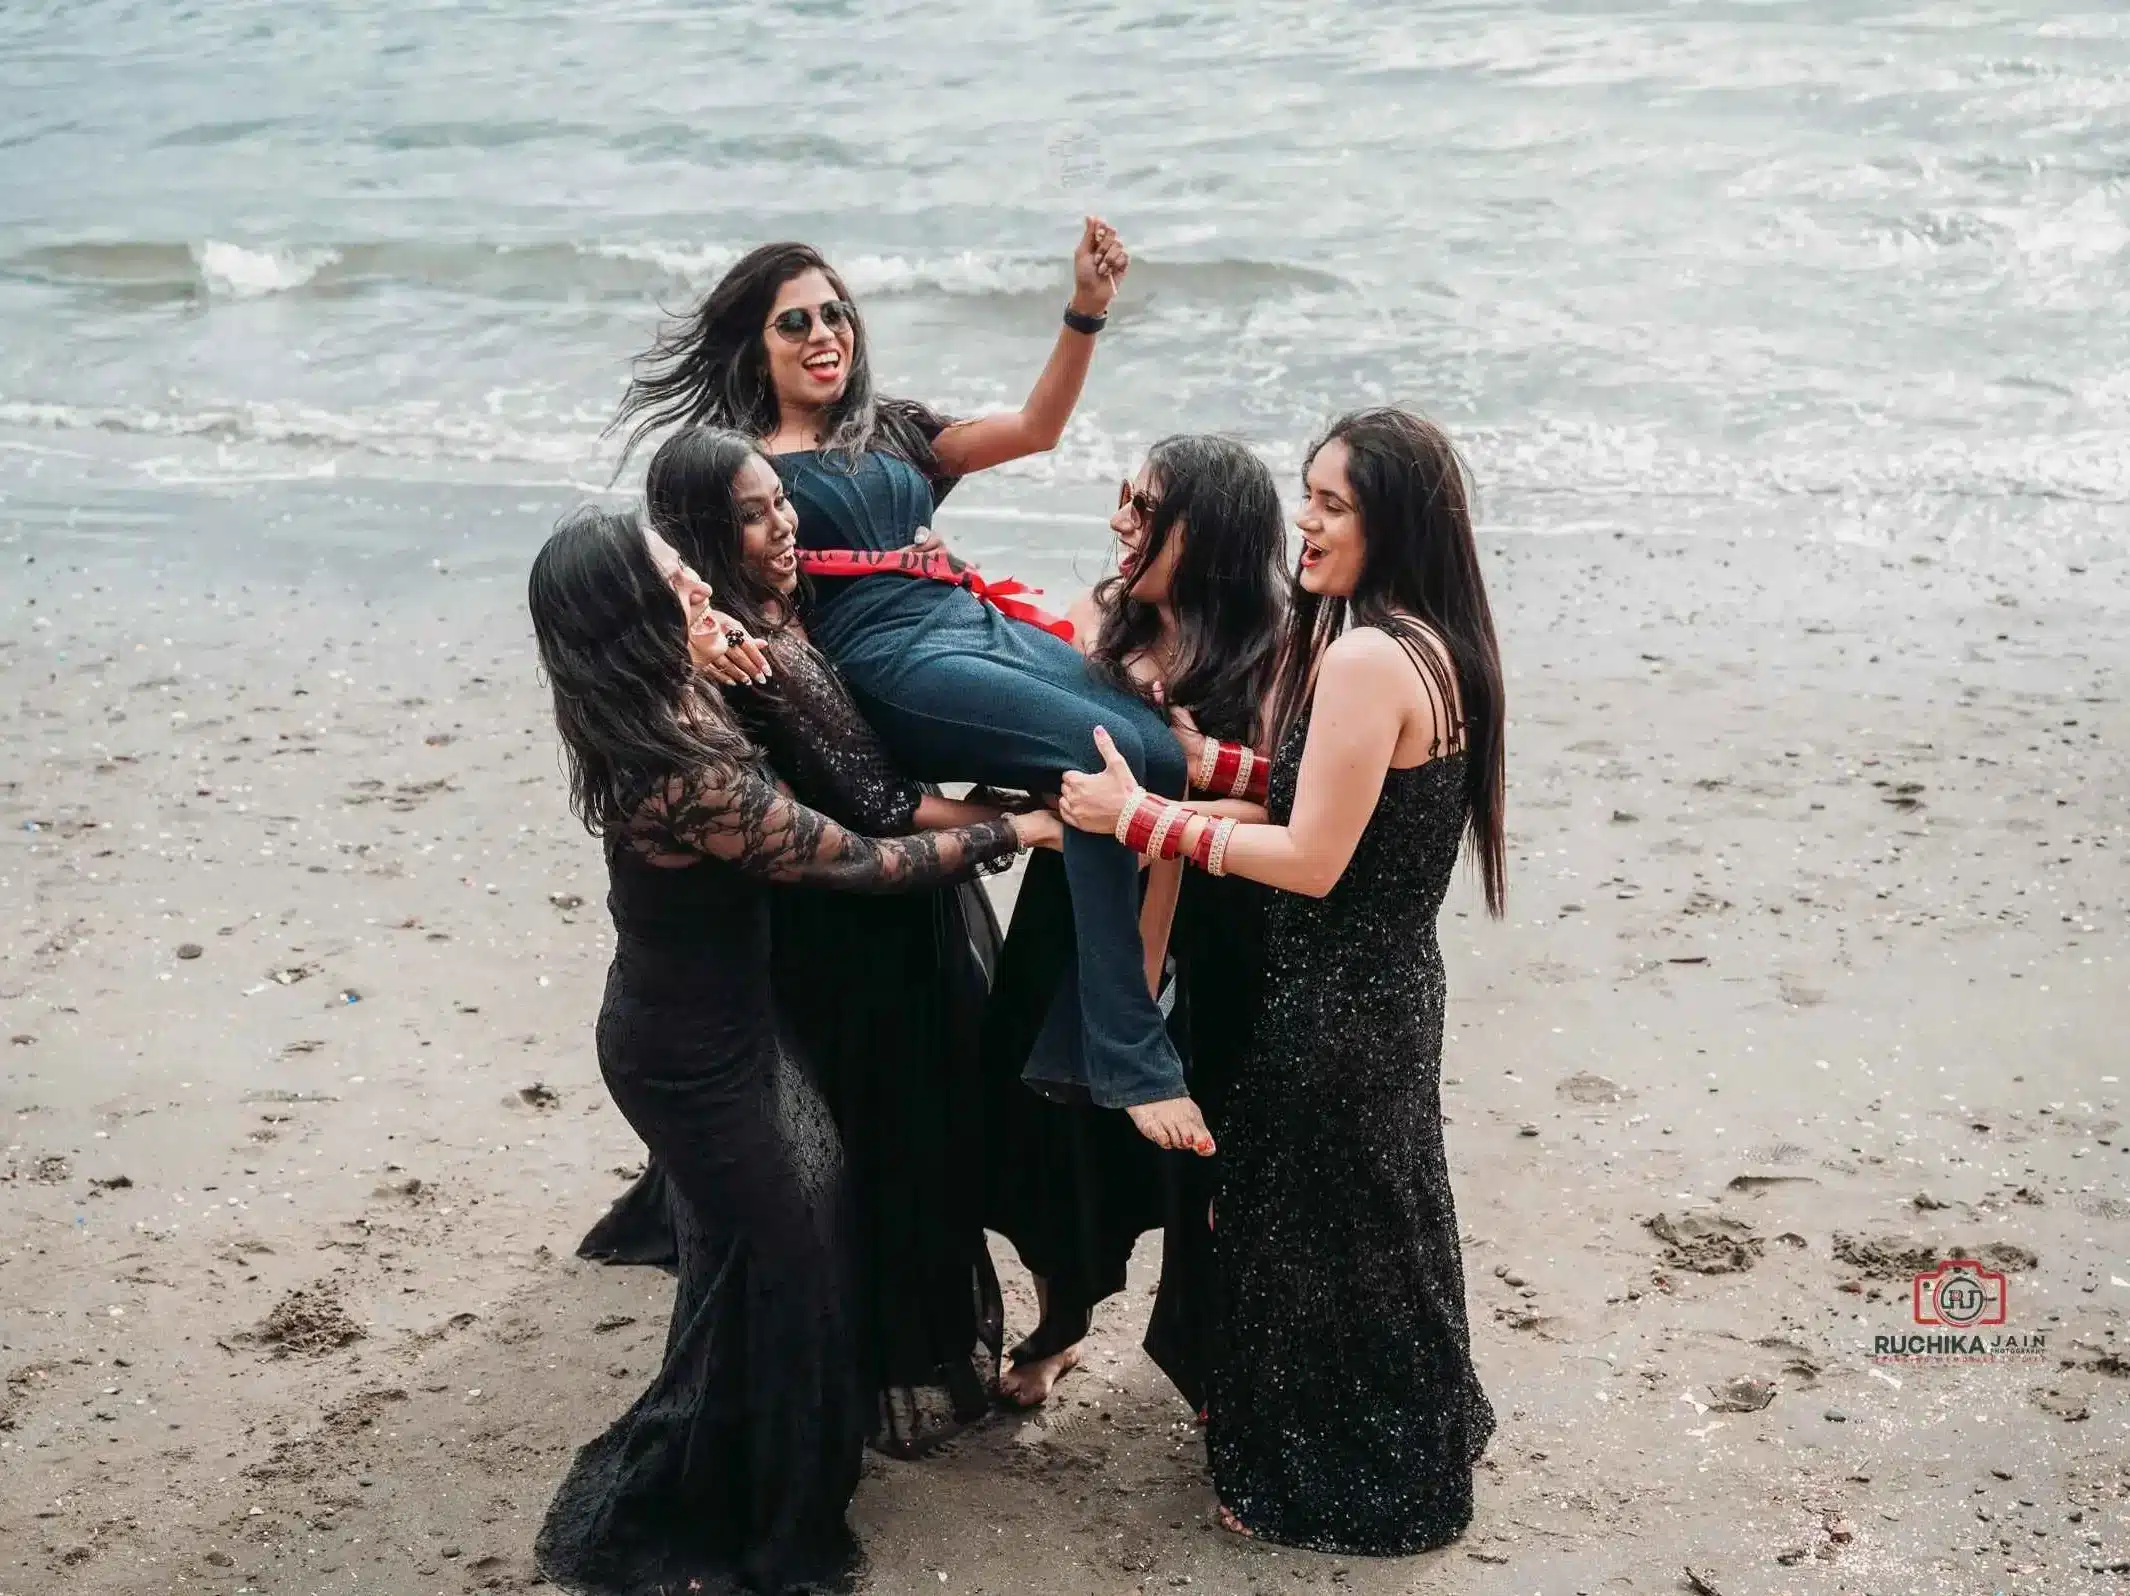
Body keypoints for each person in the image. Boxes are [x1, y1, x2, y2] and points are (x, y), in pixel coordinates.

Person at [526, 506, 1058, 1596]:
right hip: (689, 1055)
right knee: (788, 1264)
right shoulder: (682, 773)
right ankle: (741, 1508)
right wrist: (1016, 832)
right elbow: (858, 861)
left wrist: (724, 667)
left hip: (719, 1025)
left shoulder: (661, 703)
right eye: (676, 582)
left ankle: (753, 1463)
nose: (700, 588)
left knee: (767, 1258)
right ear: (631, 615)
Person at [609, 223, 1212, 1155]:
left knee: (1160, 753)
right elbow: (649, 537)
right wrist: (696, 625)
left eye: (837, 313)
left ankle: (1088, 1024)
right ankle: (1127, 1049)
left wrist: (1086, 307)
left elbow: (1037, 429)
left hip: (969, 621)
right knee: (1102, 757)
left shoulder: (890, 425)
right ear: (752, 344)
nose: (825, 334)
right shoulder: (733, 457)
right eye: (794, 322)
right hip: (888, 663)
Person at [1057, 407, 1504, 1554]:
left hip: (1329, 1000)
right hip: (1396, 987)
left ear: (1392, 521)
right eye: (1306, 496)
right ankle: (1415, 1440)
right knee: (1381, 1221)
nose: (1304, 523)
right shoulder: (1435, 649)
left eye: (1334, 504)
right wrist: (1217, 768)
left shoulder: (1361, 655)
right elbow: (1351, 796)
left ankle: (1337, 1485)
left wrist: (1145, 815)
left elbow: (1311, 858)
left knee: (1298, 1233)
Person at [983, 436, 1285, 1409]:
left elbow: (1290, 810)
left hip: (1217, 934)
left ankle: (1205, 1365)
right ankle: (1060, 1321)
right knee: (1042, 1149)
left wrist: (1161, 804)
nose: (1119, 520)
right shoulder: (1098, 624)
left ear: (1210, 535)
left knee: (1205, 1171)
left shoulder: (1274, 655)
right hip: (1073, 917)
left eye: (1145, 508)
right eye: (1122, 498)